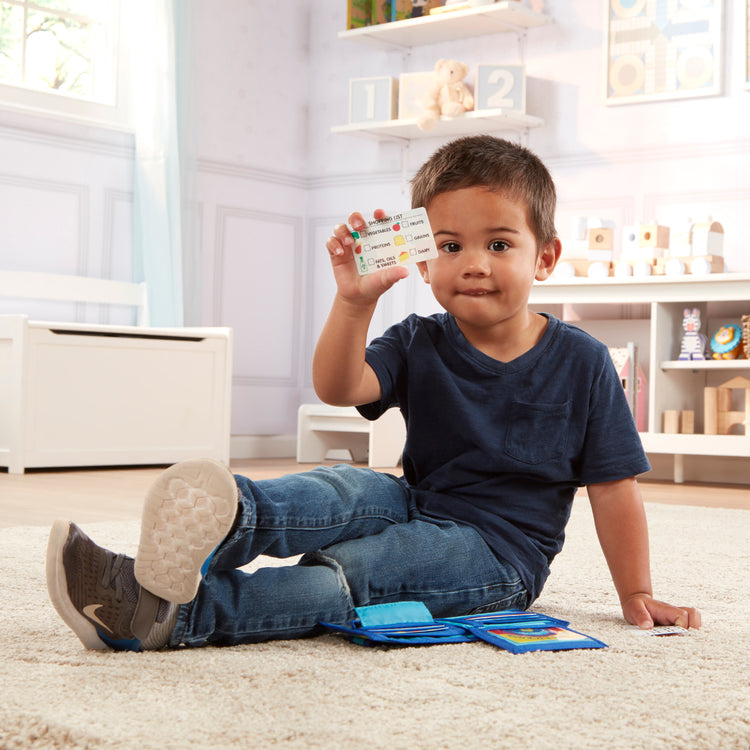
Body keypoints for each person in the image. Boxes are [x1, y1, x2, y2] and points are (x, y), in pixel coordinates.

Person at [46, 135, 701, 652]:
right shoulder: (419, 337)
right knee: (342, 486)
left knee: (353, 574)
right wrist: (353, 301)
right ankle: (226, 520)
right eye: (451, 245)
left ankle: (175, 617)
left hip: (498, 556)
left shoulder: (583, 361)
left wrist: (636, 591)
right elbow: (340, 386)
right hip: (416, 499)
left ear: (544, 258)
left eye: (499, 243)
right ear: (423, 261)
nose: (473, 261)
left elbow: (615, 488)